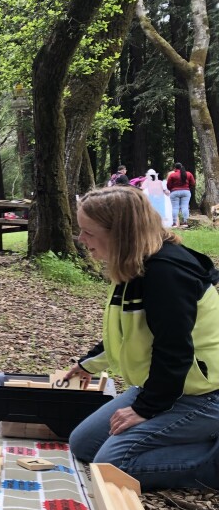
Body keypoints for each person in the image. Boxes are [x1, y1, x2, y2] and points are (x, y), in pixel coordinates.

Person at [64, 187, 219, 490]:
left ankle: (210, 464)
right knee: (83, 444)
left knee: (111, 467)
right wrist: (88, 365)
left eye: (88, 232)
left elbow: (174, 351)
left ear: (119, 233)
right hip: (169, 385)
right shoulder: (135, 266)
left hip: (205, 395)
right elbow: (126, 334)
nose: (81, 240)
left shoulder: (166, 275)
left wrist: (145, 409)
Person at [166, 162, 195, 228]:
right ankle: (185, 222)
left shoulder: (172, 175)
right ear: (182, 167)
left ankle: (174, 223)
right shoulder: (188, 174)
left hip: (174, 192)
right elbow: (193, 183)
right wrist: (187, 187)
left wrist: (172, 189)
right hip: (186, 191)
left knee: (175, 208)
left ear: (175, 168)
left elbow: (168, 185)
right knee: (185, 207)